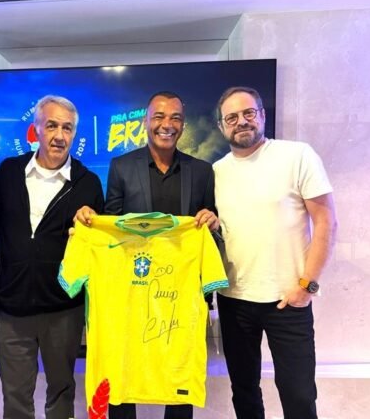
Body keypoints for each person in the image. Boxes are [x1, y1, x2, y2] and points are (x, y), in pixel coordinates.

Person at [75, 91, 219, 419]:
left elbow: (211, 228)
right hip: (132, 292)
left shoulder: (202, 171)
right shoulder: (122, 167)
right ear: (146, 122)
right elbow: (112, 228)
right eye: (159, 117)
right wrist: (91, 224)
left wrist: (212, 221)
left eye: (175, 118)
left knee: (179, 372)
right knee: (123, 368)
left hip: (179, 295)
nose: (167, 124)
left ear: (183, 125)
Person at [212, 86, 338, 419]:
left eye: (248, 113)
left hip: (289, 299)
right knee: (244, 392)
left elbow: (326, 222)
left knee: (299, 395)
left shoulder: (297, 155)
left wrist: (307, 286)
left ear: (262, 115)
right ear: (222, 126)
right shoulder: (217, 171)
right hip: (234, 300)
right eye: (231, 117)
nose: (241, 122)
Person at [0, 95, 104, 419]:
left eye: (67, 128)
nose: (59, 135)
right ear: (36, 129)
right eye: (52, 125)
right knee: (15, 397)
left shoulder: (88, 183)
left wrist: (91, 222)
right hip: (12, 309)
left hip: (63, 310)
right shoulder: (8, 172)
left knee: (61, 391)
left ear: (74, 134)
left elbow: (99, 247)